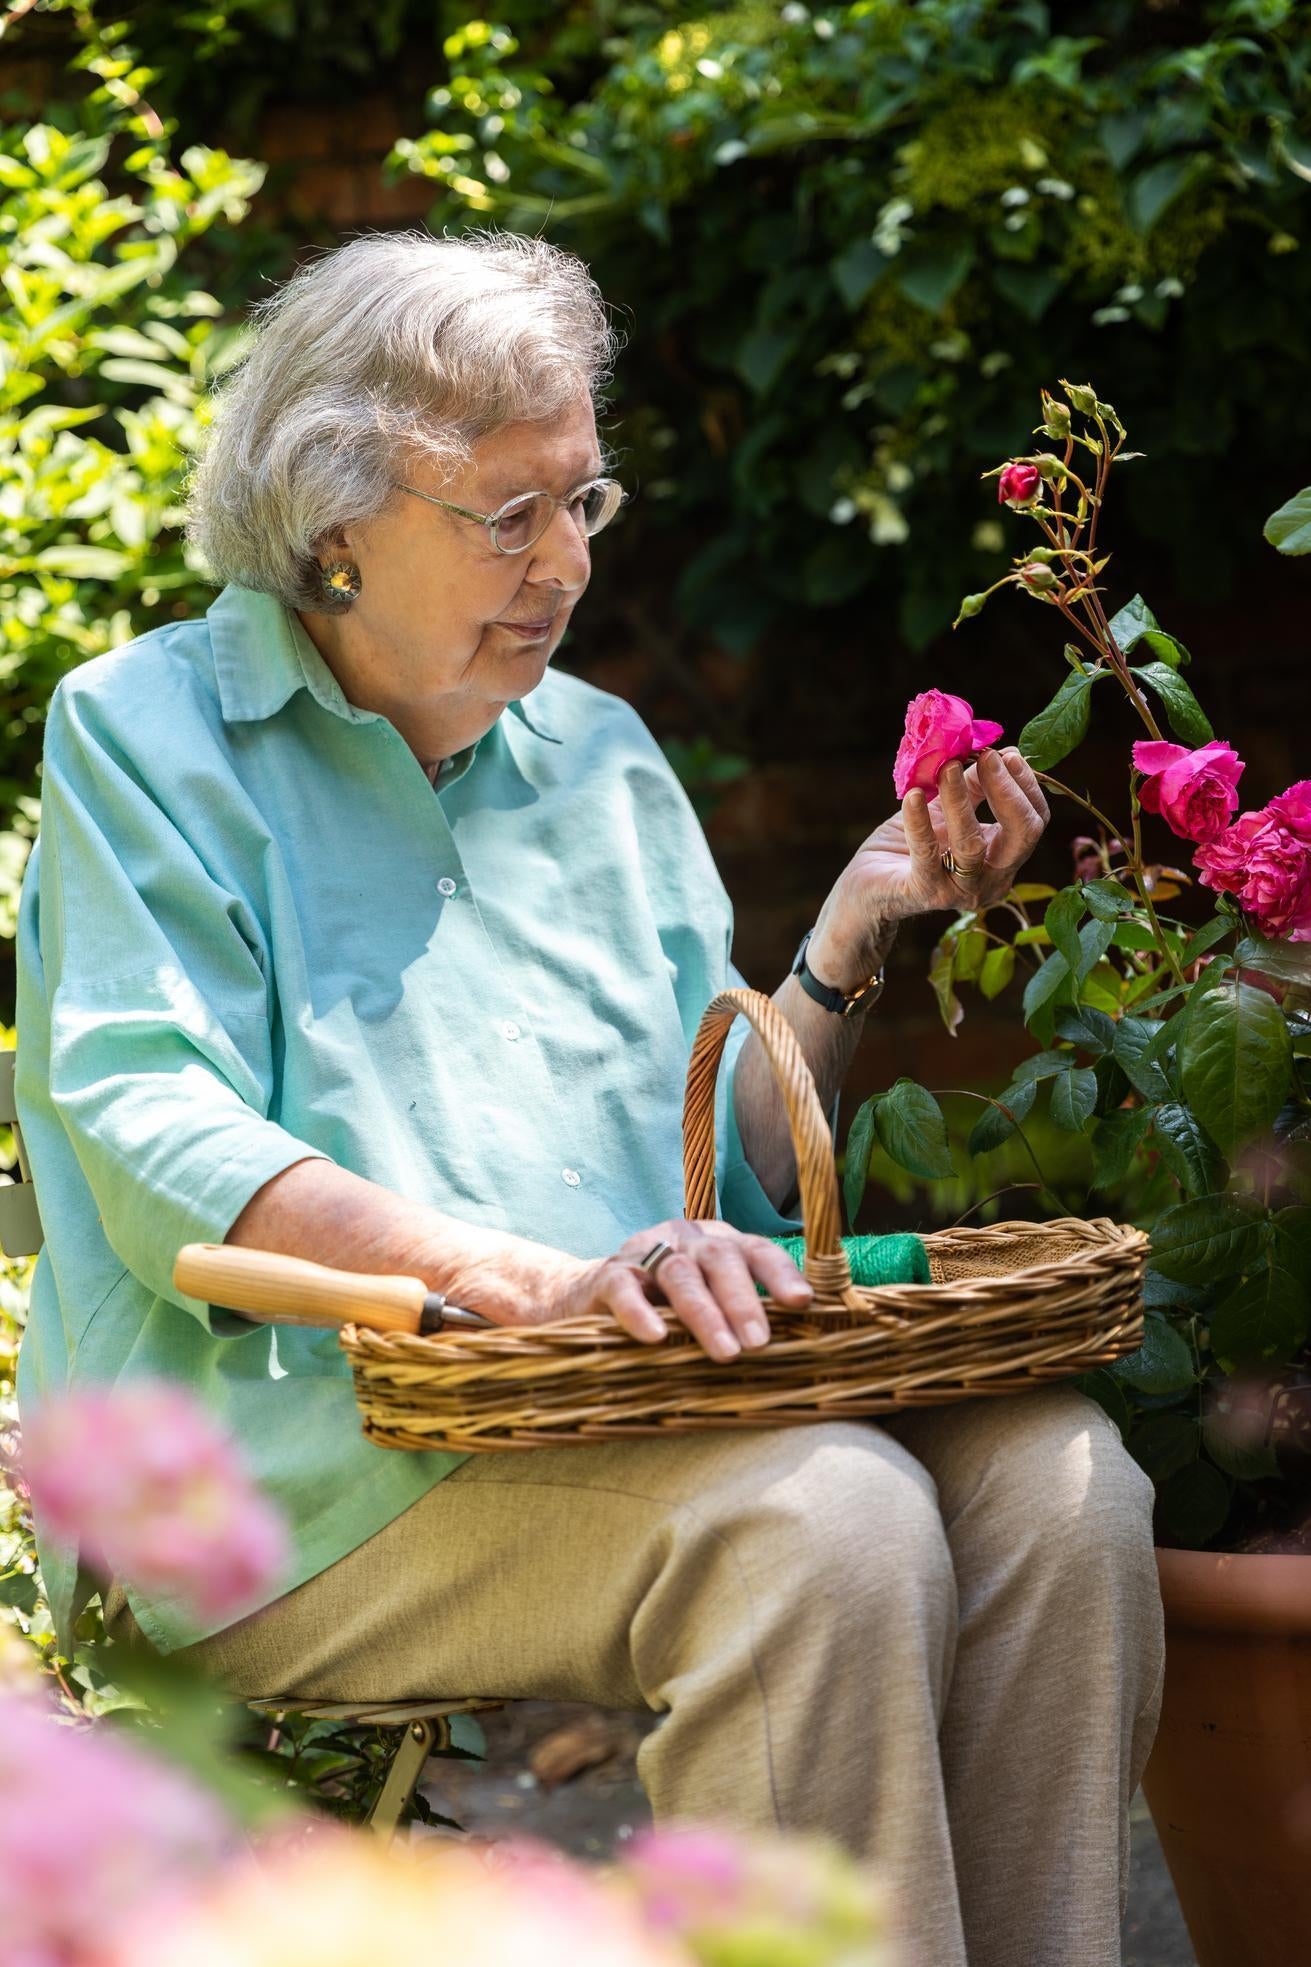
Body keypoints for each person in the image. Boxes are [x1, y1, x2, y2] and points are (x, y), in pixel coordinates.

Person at [14, 229, 1162, 1966]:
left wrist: (851, 928)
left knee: (1064, 1480)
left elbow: (741, 1187)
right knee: (829, 1521)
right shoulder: (148, 736)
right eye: (509, 515)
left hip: (641, 1410)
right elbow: (154, 1126)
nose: (565, 563)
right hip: (314, 1469)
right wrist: (530, 1278)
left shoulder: (603, 758)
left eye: (584, 505)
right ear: (335, 523)